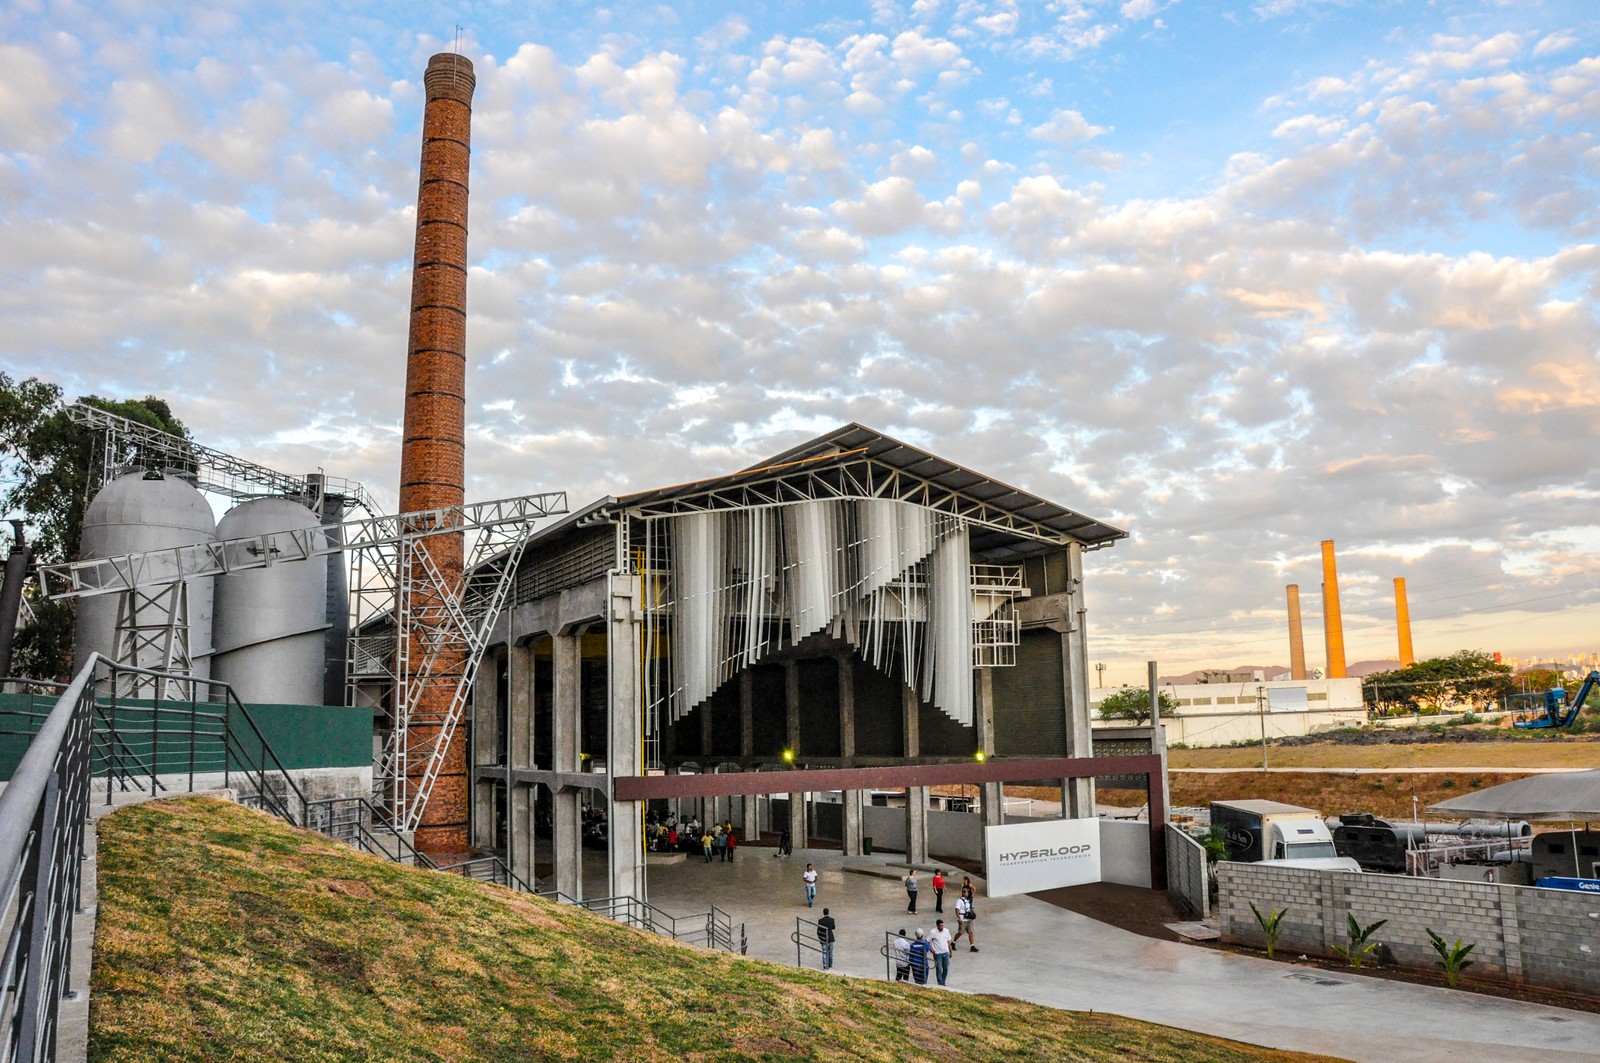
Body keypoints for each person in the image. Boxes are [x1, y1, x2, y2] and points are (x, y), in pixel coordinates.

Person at [928, 919, 953, 986]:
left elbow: (948, 941)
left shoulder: (946, 931)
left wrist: (950, 951)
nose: (942, 927)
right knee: (938, 968)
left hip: (945, 952)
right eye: (940, 926)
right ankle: (940, 983)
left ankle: (943, 981)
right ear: (937, 926)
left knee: (945, 968)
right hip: (938, 953)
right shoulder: (933, 932)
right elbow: (927, 941)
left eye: (942, 926)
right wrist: (931, 949)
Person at [959, 881, 979, 952]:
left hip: (968, 919)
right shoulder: (960, 901)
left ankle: (972, 946)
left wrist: (972, 911)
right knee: (960, 933)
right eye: (966, 893)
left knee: (971, 933)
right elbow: (957, 910)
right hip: (963, 920)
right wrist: (959, 919)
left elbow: (969, 908)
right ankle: (953, 942)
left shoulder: (968, 901)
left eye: (968, 893)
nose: (967, 894)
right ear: (963, 893)